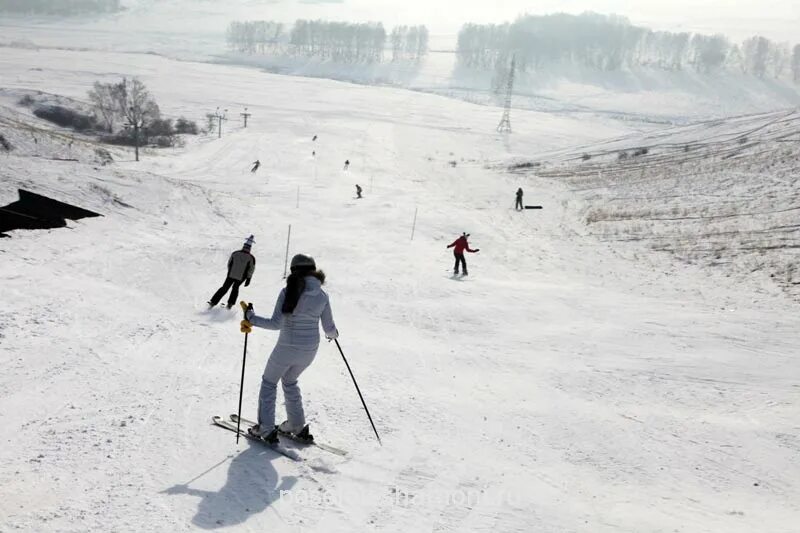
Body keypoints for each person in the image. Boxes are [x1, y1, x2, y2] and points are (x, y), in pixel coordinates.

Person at [241, 254, 338, 444]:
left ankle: (265, 428)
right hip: (309, 351)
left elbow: (275, 324)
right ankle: (297, 425)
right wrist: (335, 334)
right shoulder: (322, 295)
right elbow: (329, 330)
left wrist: (250, 318)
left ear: (294, 271)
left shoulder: (288, 292)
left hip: (286, 349)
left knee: (269, 383)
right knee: (290, 380)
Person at [208, 236, 256, 309]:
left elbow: (229, 264)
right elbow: (251, 269)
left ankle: (213, 302)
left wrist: (230, 272)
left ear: (243, 246)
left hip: (230, 275)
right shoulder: (251, 258)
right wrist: (248, 279)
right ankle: (230, 305)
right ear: (250, 248)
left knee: (224, 288)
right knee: (235, 289)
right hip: (241, 277)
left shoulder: (235, 253)